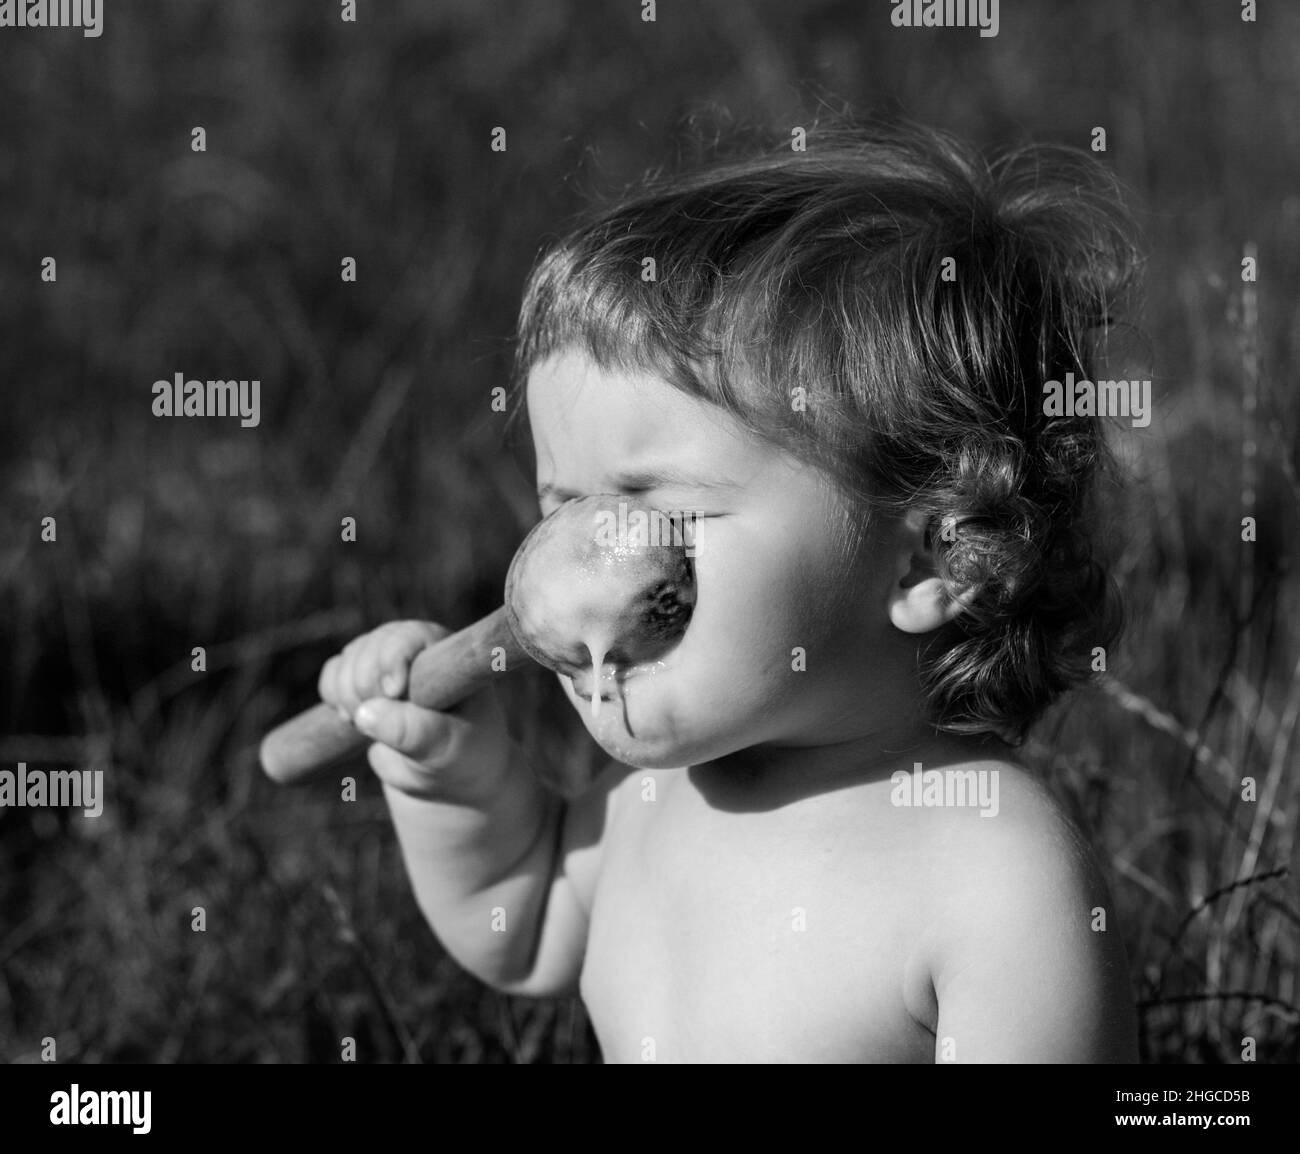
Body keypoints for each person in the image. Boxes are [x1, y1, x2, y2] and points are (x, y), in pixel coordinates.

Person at [317, 120, 1141, 1062]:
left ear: (929, 558)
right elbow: (529, 921)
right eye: (561, 511)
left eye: (647, 515)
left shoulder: (992, 874)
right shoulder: (650, 802)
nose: (573, 570)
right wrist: (449, 778)